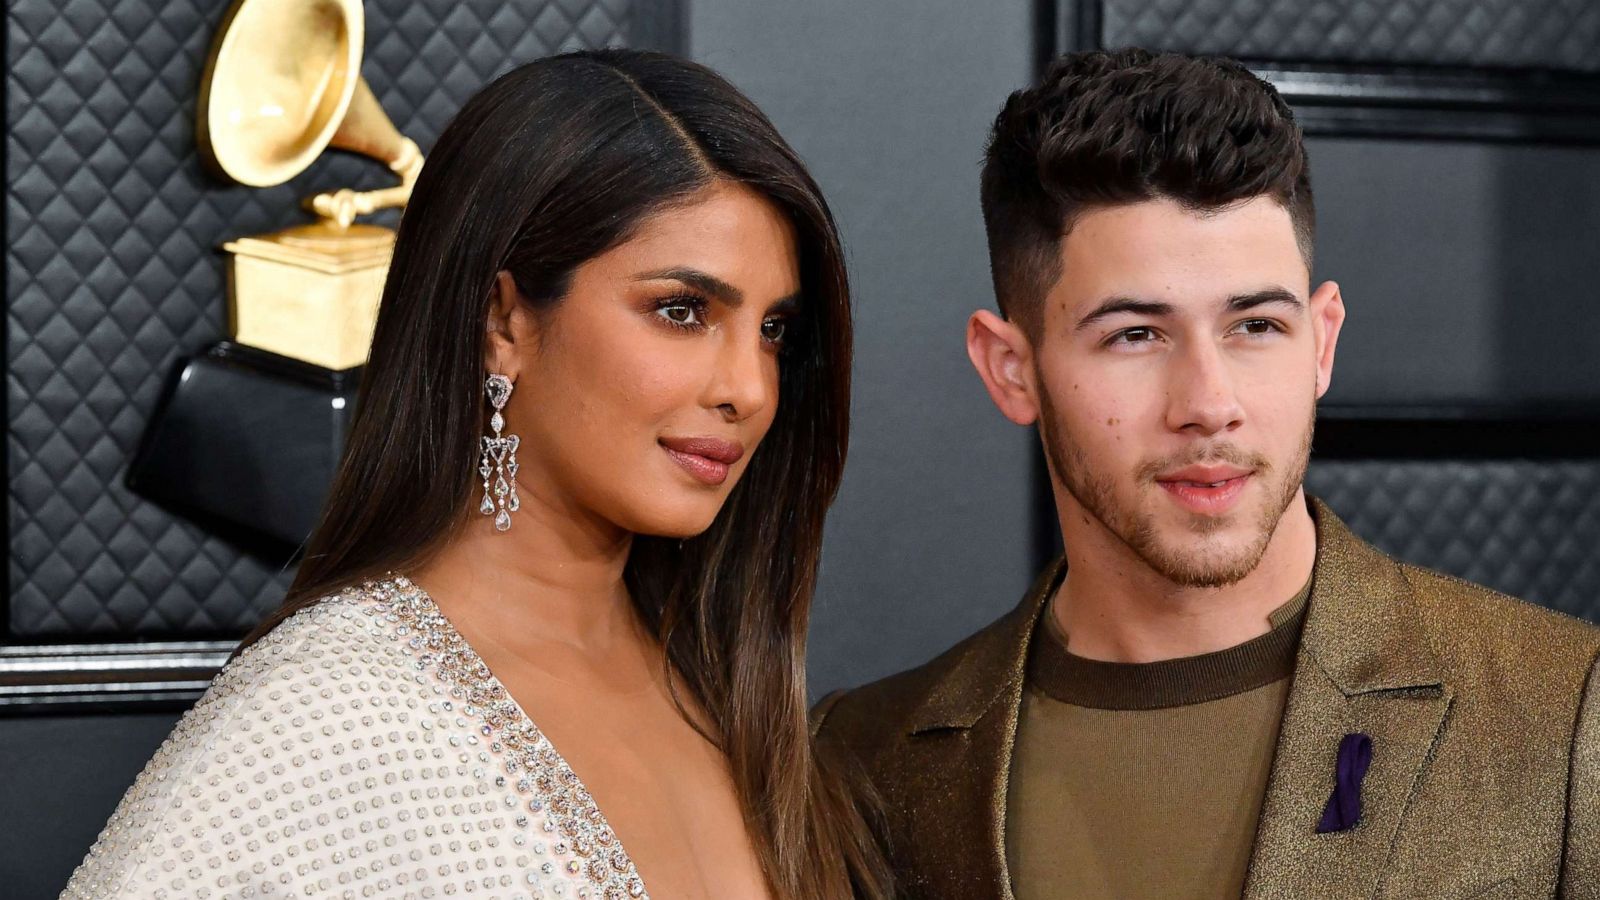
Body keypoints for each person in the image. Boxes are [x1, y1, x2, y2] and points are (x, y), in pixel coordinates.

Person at [64, 49, 889, 900]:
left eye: (775, 332)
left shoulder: (728, 686)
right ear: (502, 322)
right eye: (682, 312)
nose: (749, 390)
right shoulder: (330, 713)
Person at [814, 48, 1600, 899]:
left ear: (1322, 341)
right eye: (1135, 335)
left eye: (1256, 325)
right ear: (1012, 369)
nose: (1209, 403)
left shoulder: (1563, 715)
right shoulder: (859, 763)